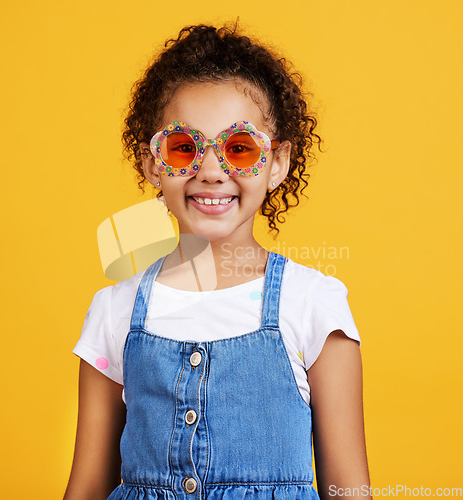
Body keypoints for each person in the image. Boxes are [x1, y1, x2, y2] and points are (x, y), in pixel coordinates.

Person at [64, 22, 371, 500]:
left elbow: (349, 491)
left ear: (277, 164)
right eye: (183, 147)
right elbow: (86, 488)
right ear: (152, 164)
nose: (210, 170)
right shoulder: (114, 311)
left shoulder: (312, 304)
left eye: (239, 148)